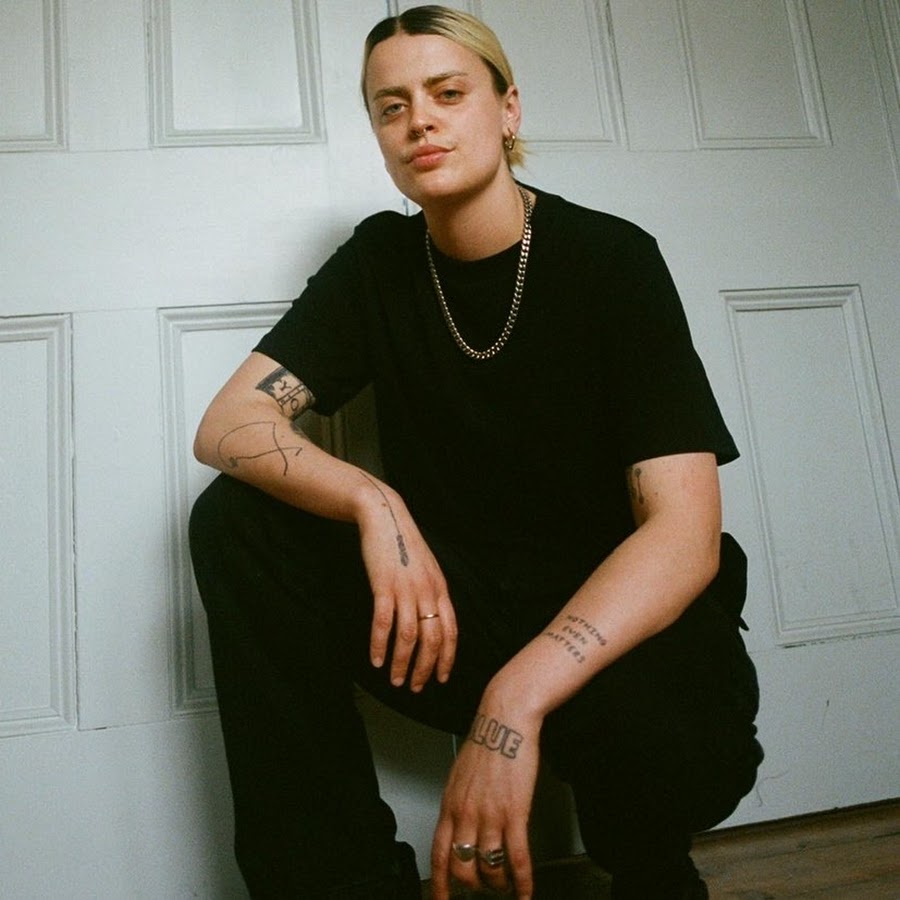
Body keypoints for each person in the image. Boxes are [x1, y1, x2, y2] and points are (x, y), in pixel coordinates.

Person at [188, 6, 763, 898]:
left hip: (610, 623)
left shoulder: (609, 259)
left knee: (679, 754)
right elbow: (228, 424)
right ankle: (339, 885)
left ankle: (651, 866)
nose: (419, 120)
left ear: (508, 109)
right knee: (238, 521)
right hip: (456, 614)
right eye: (391, 106)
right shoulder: (378, 264)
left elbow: (683, 536)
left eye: (447, 93)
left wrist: (513, 701)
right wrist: (374, 504)